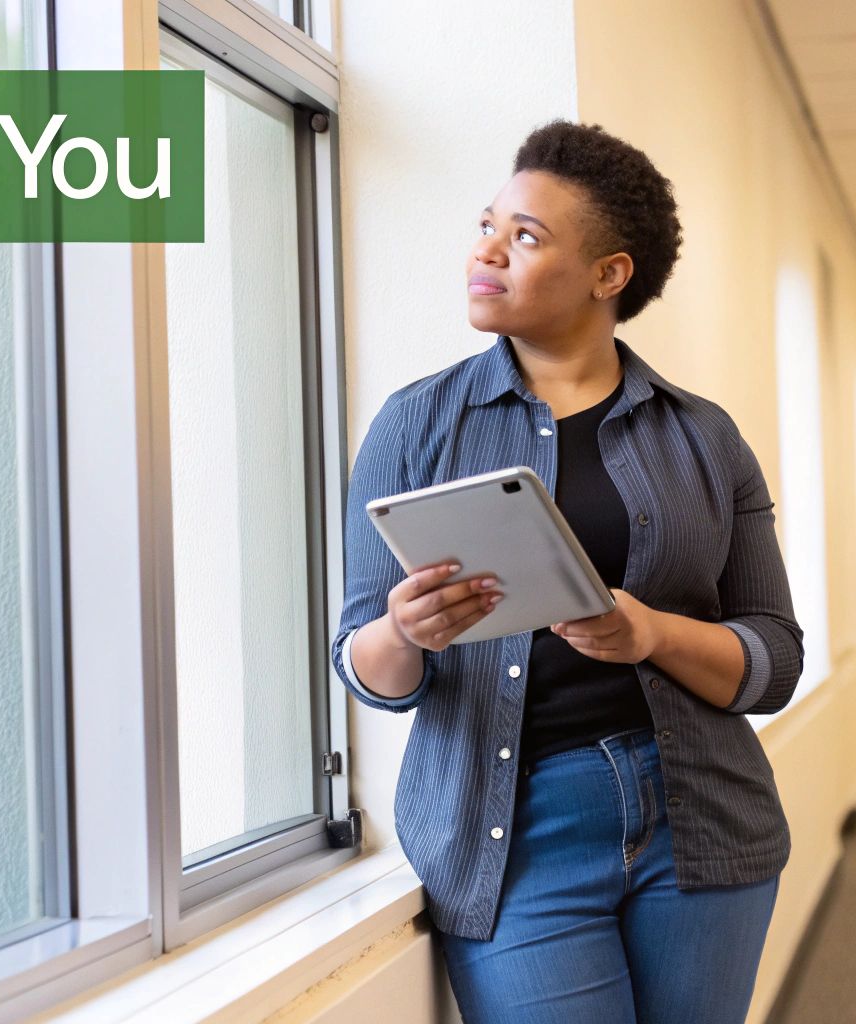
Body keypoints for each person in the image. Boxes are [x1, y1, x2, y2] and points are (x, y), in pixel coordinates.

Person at [331, 119, 804, 1023]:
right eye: (487, 225)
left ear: (609, 274)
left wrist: (650, 633)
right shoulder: (416, 426)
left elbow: (775, 658)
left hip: (701, 819)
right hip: (510, 832)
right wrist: (404, 631)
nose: (488, 251)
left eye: (526, 236)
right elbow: (364, 666)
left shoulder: (704, 438)